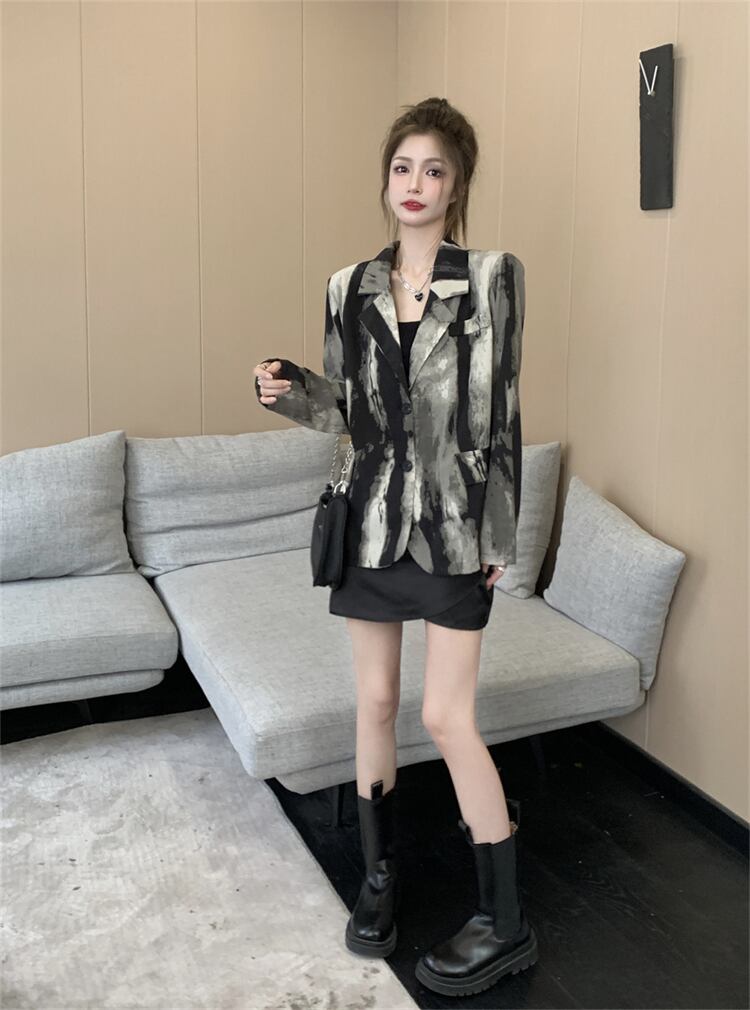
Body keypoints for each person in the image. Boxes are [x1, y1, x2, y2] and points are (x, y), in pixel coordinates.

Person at [253, 96, 537, 998]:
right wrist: (289, 391)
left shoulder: (491, 277)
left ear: (457, 187)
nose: (415, 184)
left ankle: (505, 921)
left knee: (448, 717)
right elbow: (347, 414)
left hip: (454, 527)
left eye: (434, 170)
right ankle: (379, 877)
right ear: (386, 180)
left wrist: (501, 533)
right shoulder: (348, 286)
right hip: (372, 520)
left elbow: (502, 414)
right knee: (374, 703)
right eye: (403, 167)